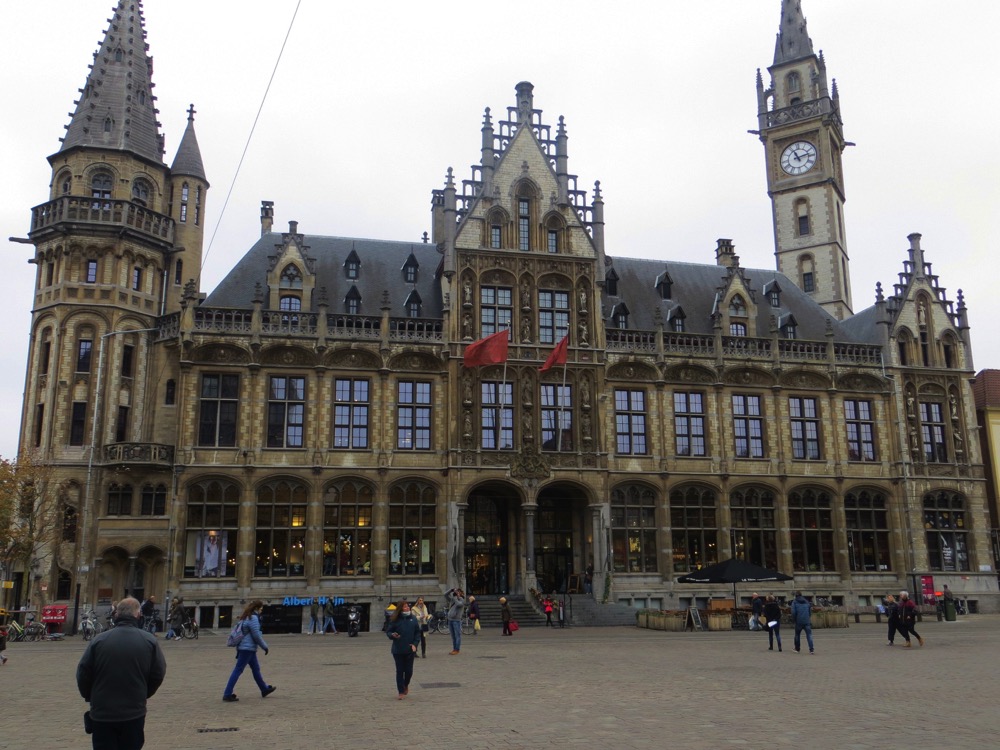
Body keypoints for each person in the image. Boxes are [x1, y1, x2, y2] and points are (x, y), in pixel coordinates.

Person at [76, 596, 166, 750]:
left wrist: (90, 696)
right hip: (133, 711)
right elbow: (158, 674)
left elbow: (83, 673)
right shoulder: (149, 640)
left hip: (102, 712)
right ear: (138, 614)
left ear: (116, 614)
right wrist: (143, 693)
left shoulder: (99, 640)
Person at [222, 600, 277, 702]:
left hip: (247, 648)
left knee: (256, 669)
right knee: (238, 670)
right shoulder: (253, 618)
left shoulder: (247, 616)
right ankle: (227, 694)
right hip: (247, 648)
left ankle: (264, 689)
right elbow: (256, 635)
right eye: (261, 609)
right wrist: (264, 646)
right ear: (256, 608)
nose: (261, 611)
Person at [385, 599, 421, 699]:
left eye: (408, 606)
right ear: (400, 609)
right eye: (405, 607)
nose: (407, 608)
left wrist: (415, 644)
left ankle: (406, 684)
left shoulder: (413, 618)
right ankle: (400, 691)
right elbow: (388, 632)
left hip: (410, 649)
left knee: (409, 671)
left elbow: (417, 633)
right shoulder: (395, 619)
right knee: (400, 671)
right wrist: (392, 635)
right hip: (398, 649)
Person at [445, 587, 465, 654]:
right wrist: (451, 590)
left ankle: (457, 649)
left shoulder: (462, 600)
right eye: (456, 592)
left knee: (457, 636)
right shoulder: (453, 599)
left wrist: (457, 597)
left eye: (458, 592)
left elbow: (458, 604)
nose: (457, 593)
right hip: (450, 620)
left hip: (456, 620)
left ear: (461, 593)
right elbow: (445, 595)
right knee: (453, 636)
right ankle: (454, 649)